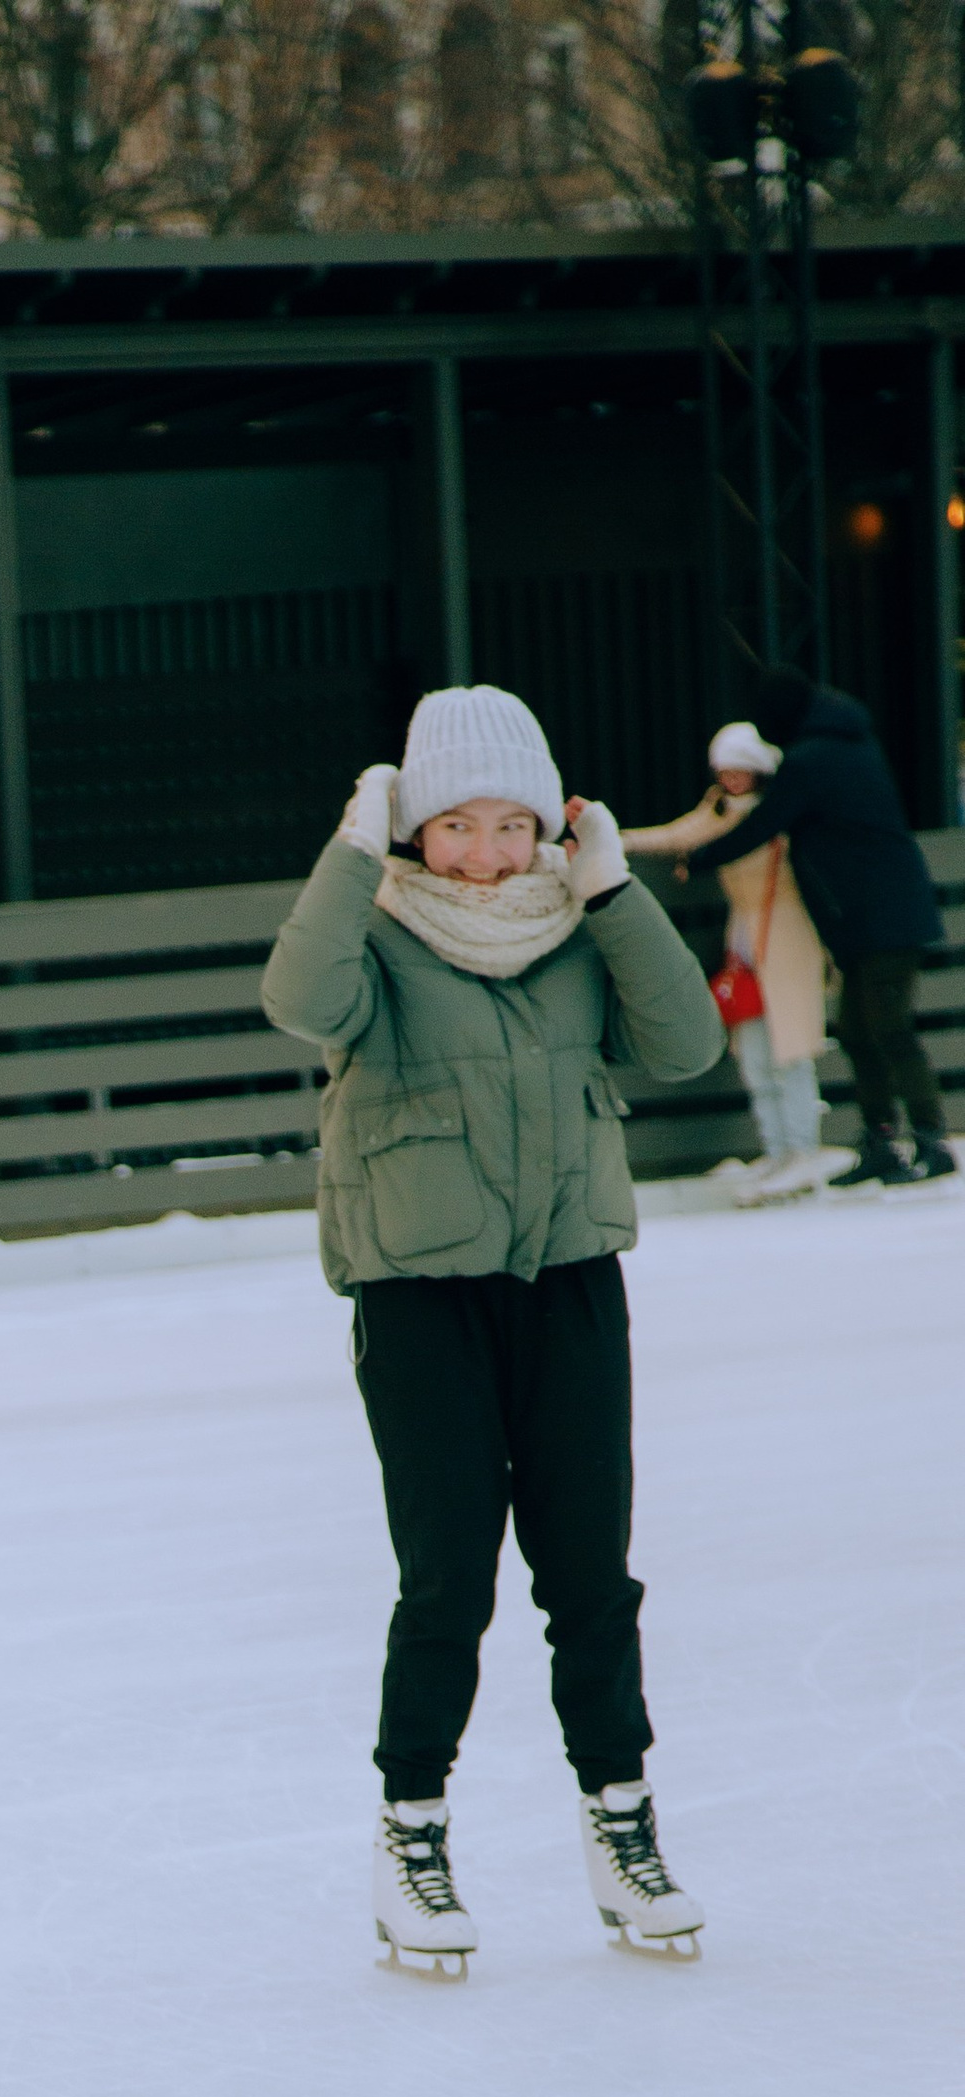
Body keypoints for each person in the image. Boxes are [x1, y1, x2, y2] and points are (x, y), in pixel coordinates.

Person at [262, 682, 726, 1977]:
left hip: (569, 1283)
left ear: (549, 829)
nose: (483, 850)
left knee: (591, 1579)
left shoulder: (583, 934)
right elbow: (299, 999)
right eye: (453, 823)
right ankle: (412, 1835)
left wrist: (618, 891)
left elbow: (684, 1045)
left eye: (509, 824)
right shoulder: (381, 940)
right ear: (414, 828)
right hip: (420, 1298)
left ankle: (621, 1827)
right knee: (449, 1582)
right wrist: (353, 855)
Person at [703, 666, 953, 1190]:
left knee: (887, 1028)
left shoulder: (813, 759)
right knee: (861, 1031)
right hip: (870, 918)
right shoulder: (848, 744)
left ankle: (932, 1139)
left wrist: (703, 857)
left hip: (884, 918)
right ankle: (883, 1140)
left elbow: (766, 822)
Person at [625, 720, 834, 1204]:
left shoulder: (780, 810)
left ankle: (802, 1149)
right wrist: (620, 840)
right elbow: (680, 834)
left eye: (740, 771)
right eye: (726, 771)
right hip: (744, 938)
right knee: (757, 1055)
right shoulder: (719, 809)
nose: (733, 779)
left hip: (787, 936)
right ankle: (778, 1150)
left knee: (792, 1051)